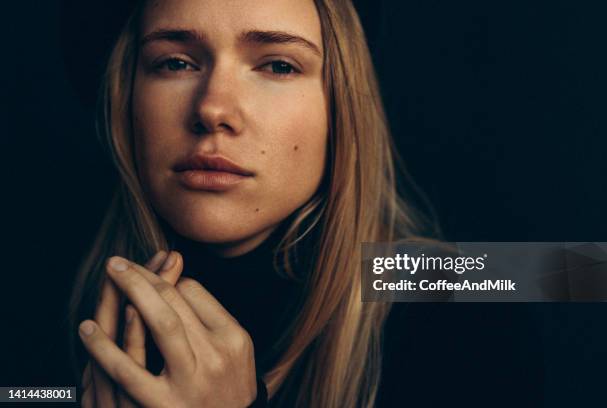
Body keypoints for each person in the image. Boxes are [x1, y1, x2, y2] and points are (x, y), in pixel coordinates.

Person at [67, 0, 543, 407]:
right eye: (175, 63)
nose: (213, 109)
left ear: (341, 107)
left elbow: (580, 272)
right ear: (125, 95)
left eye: (278, 65)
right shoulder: (46, 290)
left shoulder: (469, 291)